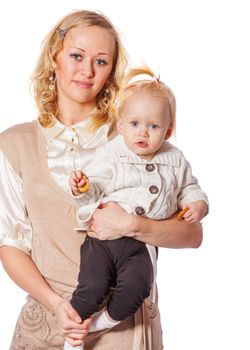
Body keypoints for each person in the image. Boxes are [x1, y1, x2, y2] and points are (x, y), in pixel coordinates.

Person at [0, 9, 203, 350]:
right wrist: (57, 305)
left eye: (101, 61)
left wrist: (133, 225)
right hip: (48, 328)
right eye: (77, 56)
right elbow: (10, 245)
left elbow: (192, 233)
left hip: (125, 328)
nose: (87, 71)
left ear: (111, 70)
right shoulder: (14, 144)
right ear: (56, 56)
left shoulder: (137, 134)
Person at [64, 67, 208, 350]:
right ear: (120, 125)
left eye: (153, 126)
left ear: (167, 131)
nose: (143, 132)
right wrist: (82, 186)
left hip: (141, 246)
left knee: (137, 289)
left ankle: (97, 324)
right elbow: (93, 188)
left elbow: (189, 187)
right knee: (91, 286)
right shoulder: (111, 154)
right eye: (134, 124)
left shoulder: (175, 159)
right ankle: (73, 337)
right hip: (104, 241)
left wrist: (198, 203)